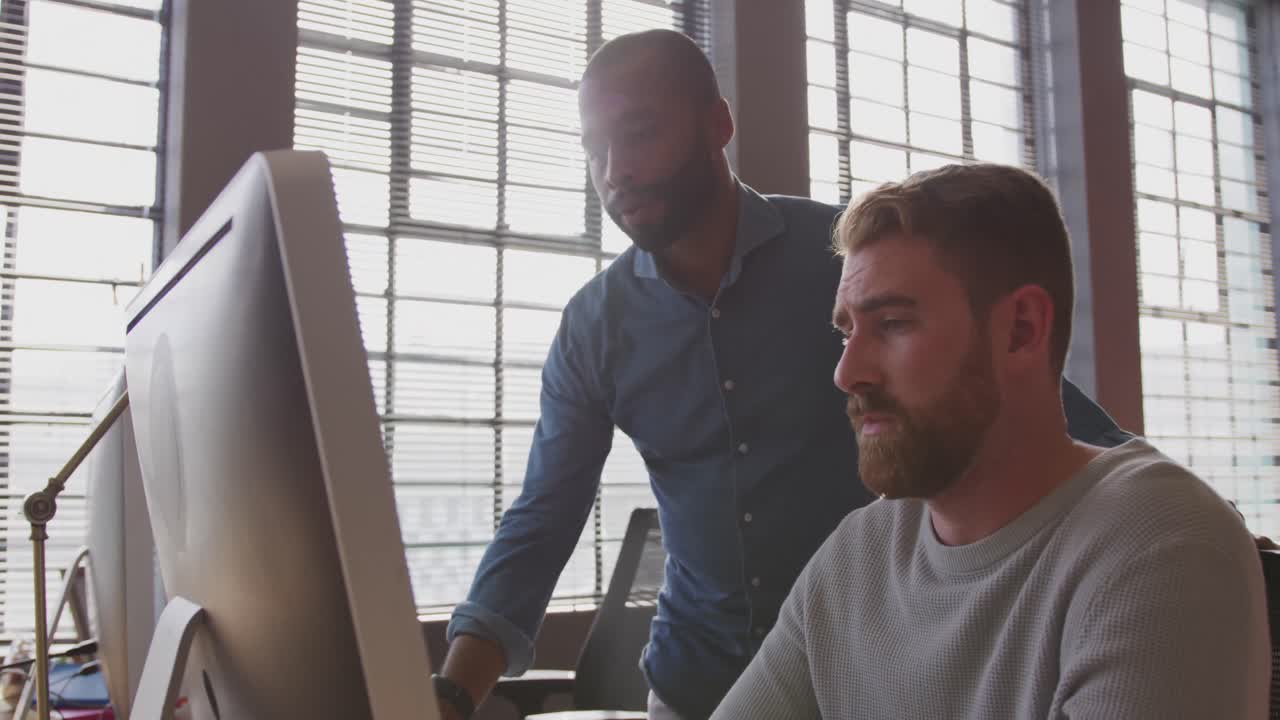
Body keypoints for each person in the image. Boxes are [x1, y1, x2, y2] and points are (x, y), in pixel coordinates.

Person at [432, 30, 1127, 720]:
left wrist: (1168, 519)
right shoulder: (594, 327)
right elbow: (543, 517)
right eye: (595, 149)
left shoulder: (846, 264)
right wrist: (451, 696)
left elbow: (1035, 407)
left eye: (640, 134)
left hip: (866, 684)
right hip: (693, 690)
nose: (615, 170)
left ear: (717, 125)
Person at [710, 163, 1270, 720]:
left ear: (1021, 330)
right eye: (847, 332)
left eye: (894, 324)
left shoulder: (1159, 539)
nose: (847, 373)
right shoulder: (857, 555)